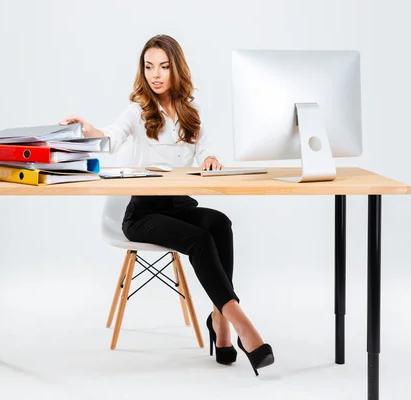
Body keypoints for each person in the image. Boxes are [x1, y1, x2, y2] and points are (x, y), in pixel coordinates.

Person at [60, 34, 273, 375]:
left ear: (176, 69)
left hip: (180, 206)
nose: (155, 74)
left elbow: (206, 151)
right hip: (144, 213)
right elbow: (111, 137)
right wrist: (89, 129)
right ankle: (241, 325)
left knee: (220, 223)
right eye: (148, 67)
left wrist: (212, 159)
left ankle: (219, 320)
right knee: (199, 241)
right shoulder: (138, 111)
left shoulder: (191, 114)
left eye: (163, 66)